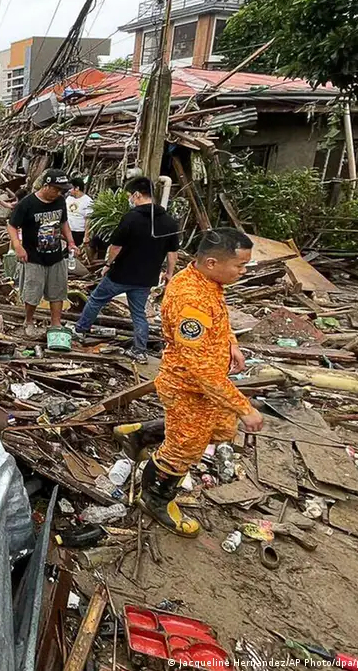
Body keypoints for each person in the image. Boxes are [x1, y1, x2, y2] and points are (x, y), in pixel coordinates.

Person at [141, 228, 264, 537]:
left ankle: (139, 434)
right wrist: (244, 408)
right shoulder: (191, 301)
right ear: (212, 262)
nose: (243, 271)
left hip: (203, 386)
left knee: (214, 429)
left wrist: (232, 343)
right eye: (240, 265)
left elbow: (219, 320)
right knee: (185, 447)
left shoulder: (208, 282)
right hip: (187, 385)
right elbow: (202, 371)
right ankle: (154, 499)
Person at [73, 177, 179, 362]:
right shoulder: (169, 221)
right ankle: (140, 351)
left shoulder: (131, 218)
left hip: (121, 274)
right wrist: (170, 273)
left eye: (130, 195)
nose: (130, 199)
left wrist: (108, 264)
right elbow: (172, 252)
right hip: (146, 278)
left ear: (137, 195)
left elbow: (116, 246)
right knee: (138, 313)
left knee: (96, 300)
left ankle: (80, 331)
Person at [9, 169, 76, 338]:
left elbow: (63, 222)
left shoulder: (60, 201)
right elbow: (12, 225)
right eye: (56, 189)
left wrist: (70, 242)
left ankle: (56, 323)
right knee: (32, 292)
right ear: (46, 186)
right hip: (33, 256)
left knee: (58, 291)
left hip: (56, 255)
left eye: (61, 190)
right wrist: (17, 246)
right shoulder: (27, 204)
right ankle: (29, 321)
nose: (59, 193)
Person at [65, 177, 94, 248]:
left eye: (71, 188)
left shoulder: (88, 201)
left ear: (77, 188)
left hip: (79, 232)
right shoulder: (68, 199)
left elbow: (88, 220)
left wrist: (86, 236)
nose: (69, 190)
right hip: (68, 231)